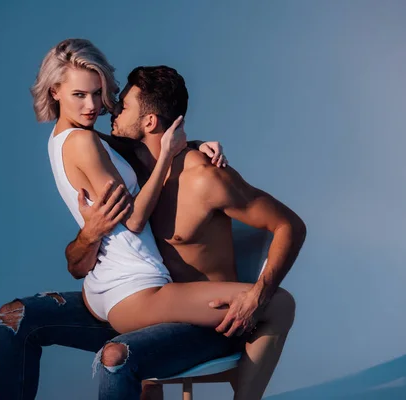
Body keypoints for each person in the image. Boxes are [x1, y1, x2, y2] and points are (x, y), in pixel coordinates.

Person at [0, 38, 230, 400]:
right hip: (138, 284)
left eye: (97, 92)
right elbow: (134, 220)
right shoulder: (83, 143)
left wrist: (193, 145)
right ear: (55, 90)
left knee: (17, 318)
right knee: (253, 305)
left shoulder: (66, 139)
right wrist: (169, 154)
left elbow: (137, 146)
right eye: (79, 95)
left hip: (102, 287)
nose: (92, 106)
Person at [67, 65, 305, 399]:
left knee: (280, 304)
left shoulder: (204, 178)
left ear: (150, 122)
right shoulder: (129, 168)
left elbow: (289, 225)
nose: (111, 111)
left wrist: (258, 296)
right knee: (32, 321)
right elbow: (78, 135)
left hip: (215, 324)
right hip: (156, 312)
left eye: (123, 107)